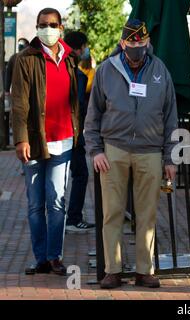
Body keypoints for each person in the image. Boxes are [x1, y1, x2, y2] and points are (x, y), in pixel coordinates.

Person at [84, 19, 178, 289]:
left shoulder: (160, 70)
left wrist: (170, 157)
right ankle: (112, 270)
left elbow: (171, 117)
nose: (137, 47)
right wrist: (96, 150)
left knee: (147, 214)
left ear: (147, 42)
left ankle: (144, 271)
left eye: (141, 42)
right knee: (112, 212)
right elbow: (93, 115)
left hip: (150, 151)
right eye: (132, 42)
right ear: (123, 43)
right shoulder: (106, 70)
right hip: (114, 149)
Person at [12, 8, 80, 276]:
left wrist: (79, 130)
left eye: (52, 24)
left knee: (57, 202)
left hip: (63, 142)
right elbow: (19, 103)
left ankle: (55, 257)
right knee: (34, 204)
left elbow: (76, 99)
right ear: (37, 27)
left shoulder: (70, 58)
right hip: (34, 143)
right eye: (42, 25)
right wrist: (20, 139)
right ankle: (40, 258)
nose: (47, 29)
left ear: (60, 27)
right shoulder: (25, 58)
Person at [63, 31, 95, 232]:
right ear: (79, 47)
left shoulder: (57, 67)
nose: (85, 51)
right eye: (84, 47)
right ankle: (74, 218)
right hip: (73, 134)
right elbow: (80, 105)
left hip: (56, 131)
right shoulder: (78, 74)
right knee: (81, 174)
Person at [4, 38, 30, 147]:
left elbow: (8, 75)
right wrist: (6, 90)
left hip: (26, 92)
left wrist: (6, 90)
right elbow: (8, 74)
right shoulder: (14, 58)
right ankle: (21, 140)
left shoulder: (30, 57)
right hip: (18, 92)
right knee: (18, 116)